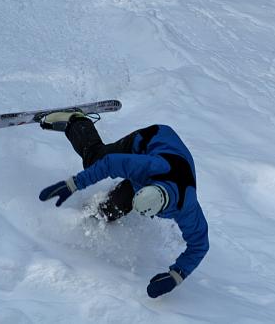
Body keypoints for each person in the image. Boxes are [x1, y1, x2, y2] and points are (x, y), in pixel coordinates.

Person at [38, 112, 209, 298]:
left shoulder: (186, 208)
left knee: (112, 211)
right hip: (151, 140)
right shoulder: (146, 167)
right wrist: (72, 185)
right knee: (94, 160)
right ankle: (77, 120)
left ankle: (92, 212)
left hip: (170, 162)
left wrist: (176, 275)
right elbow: (108, 164)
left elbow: (199, 245)